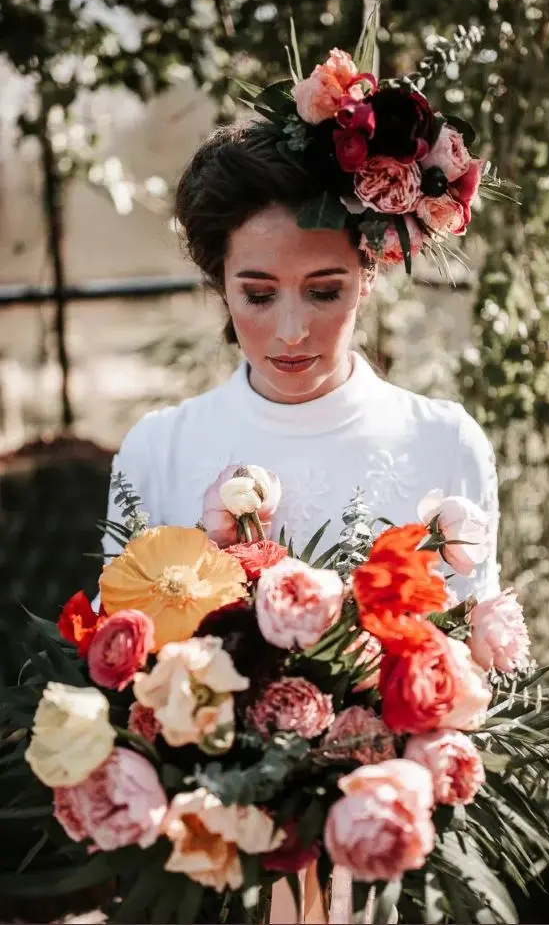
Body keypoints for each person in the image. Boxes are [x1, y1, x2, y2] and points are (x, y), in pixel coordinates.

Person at [100, 121, 500, 923]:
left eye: (325, 291)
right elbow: (122, 685)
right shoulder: (158, 449)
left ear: (370, 274)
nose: (291, 330)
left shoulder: (443, 440)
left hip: (393, 867)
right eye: (257, 293)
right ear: (220, 281)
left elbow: (478, 685)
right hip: (214, 874)